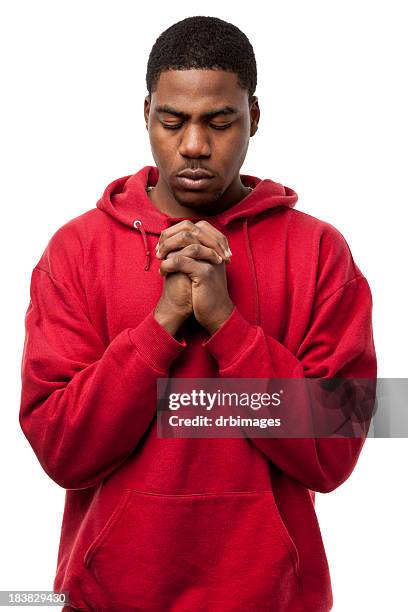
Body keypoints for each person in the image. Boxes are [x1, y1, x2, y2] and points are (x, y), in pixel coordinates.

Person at [19, 15, 377, 612]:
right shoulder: (75, 251)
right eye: (171, 121)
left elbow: (333, 453)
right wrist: (160, 327)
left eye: (219, 122)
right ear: (146, 113)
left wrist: (228, 330)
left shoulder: (320, 253)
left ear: (253, 117)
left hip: (271, 600)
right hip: (109, 598)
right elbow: (62, 450)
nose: (193, 145)